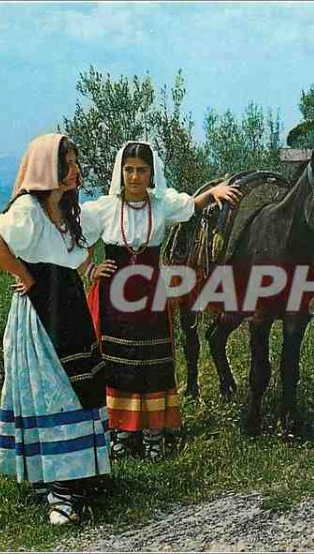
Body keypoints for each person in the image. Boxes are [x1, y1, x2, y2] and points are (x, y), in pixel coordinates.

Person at [81, 141, 240, 460]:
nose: (135, 177)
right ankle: (122, 433)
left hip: (151, 293)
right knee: (117, 360)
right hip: (115, 293)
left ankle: (154, 433)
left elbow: (192, 206)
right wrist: (90, 268)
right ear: (120, 172)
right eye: (129, 170)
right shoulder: (105, 208)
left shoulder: (162, 204)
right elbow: (76, 235)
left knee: (153, 361)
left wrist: (213, 194)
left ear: (152, 173)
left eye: (141, 170)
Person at [0, 133, 109, 525]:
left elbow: (84, 247)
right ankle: (59, 492)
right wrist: (27, 275)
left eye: (73, 162)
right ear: (44, 169)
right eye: (65, 163)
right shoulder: (29, 209)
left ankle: (74, 476)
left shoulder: (68, 211)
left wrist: (83, 268)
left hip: (68, 305)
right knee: (51, 391)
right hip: (40, 313)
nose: (74, 170)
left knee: (80, 384)